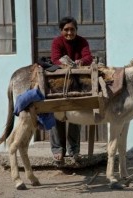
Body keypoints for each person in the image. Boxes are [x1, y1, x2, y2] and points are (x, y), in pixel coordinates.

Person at [50, 16, 93, 162]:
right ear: (61, 30)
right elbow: (55, 59)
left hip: (78, 83)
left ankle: (74, 150)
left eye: (72, 29)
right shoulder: (57, 42)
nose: (69, 33)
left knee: (76, 115)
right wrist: (64, 64)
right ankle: (58, 150)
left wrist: (80, 61)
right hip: (59, 84)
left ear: (76, 30)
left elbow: (88, 57)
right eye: (66, 30)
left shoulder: (82, 42)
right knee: (57, 116)